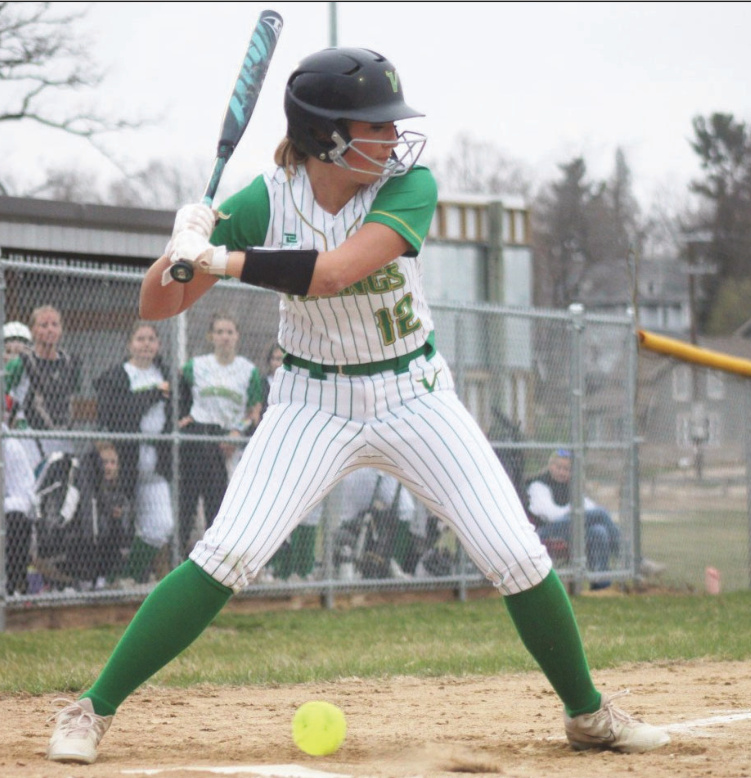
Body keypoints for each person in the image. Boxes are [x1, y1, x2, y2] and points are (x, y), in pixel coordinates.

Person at [46, 47, 669, 764]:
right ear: (325, 137)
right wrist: (180, 248)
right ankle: (90, 709)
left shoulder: (408, 185)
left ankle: (587, 714)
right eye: (374, 126)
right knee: (229, 552)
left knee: (514, 552)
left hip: (414, 394)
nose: (392, 137)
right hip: (311, 402)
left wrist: (222, 259)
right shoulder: (264, 199)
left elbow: (335, 272)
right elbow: (159, 302)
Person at [93, 321, 174, 585]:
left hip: (156, 462)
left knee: (161, 525)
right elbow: (118, 415)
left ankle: (128, 575)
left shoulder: (165, 374)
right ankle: (104, 577)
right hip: (126, 460)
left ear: (158, 344)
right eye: (140, 339)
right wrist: (154, 394)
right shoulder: (117, 375)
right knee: (117, 524)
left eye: (151, 339)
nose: (146, 344)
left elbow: (175, 408)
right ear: (129, 344)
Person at [177, 312, 263, 556]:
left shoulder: (248, 370)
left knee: (224, 507)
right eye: (219, 332)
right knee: (188, 505)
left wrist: (237, 431)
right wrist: (184, 416)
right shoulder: (197, 365)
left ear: (237, 337)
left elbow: (254, 410)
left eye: (229, 332)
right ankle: (179, 560)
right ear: (210, 336)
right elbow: (178, 391)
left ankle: (218, 560)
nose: (225, 337)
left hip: (229, 442)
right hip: (199, 438)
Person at [525, 449, 621, 590]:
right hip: (546, 531)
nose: (562, 472)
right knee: (600, 514)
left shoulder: (572, 486)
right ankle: (624, 554)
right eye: (559, 467)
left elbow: (588, 505)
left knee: (598, 530)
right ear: (550, 466)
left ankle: (600, 585)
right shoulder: (538, 484)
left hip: (571, 529)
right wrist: (576, 512)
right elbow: (550, 514)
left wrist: (578, 513)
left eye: (567, 469)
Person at [5, 306, 81, 469]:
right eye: (44, 325)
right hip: (31, 436)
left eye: (55, 325)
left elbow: (73, 399)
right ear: (33, 330)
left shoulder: (71, 363)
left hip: (62, 434)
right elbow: (6, 394)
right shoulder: (21, 362)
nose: (50, 330)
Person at [3, 422, 36, 595]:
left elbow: (24, 496)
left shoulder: (11, 447)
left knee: (16, 519)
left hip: (9, 510)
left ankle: (13, 587)